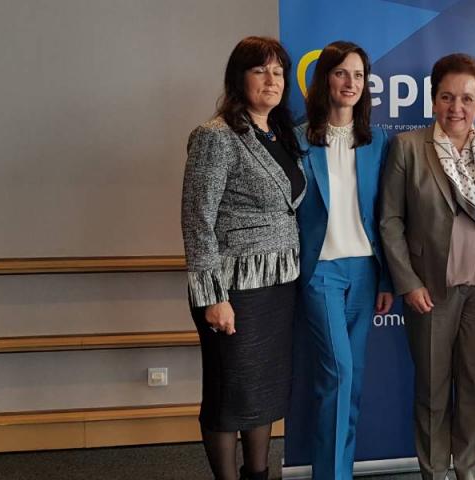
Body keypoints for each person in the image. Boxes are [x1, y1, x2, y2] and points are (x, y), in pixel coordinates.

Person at [380, 53, 475, 480]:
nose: (457, 107)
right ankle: (434, 471)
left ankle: (468, 467)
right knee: (433, 388)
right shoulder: (407, 147)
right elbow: (390, 220)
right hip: (431, 291)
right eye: (447, 97)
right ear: (433, 99)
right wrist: (408, 281)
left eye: (467, 98)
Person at [180, 36, 305, 480]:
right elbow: (197, 219)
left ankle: (258, 474)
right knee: (228, 395)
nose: (272, 80)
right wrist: (214, 297)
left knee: (262, 392)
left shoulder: (281, 135)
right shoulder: (216, 136)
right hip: (233, 289)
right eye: (260, 70)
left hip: (277, 285)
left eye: (278, 72)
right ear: (239, 78)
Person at [294, 40, 394, 480]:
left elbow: (386, 215)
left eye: (358, 75)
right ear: (325, 80)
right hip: (321, 273)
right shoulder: (298, 140)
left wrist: (386, 279)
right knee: (338, 375)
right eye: (341, 73)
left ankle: (339, 472)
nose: (350, 82)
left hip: (365, 273)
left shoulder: (378, 141)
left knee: (349, 384)